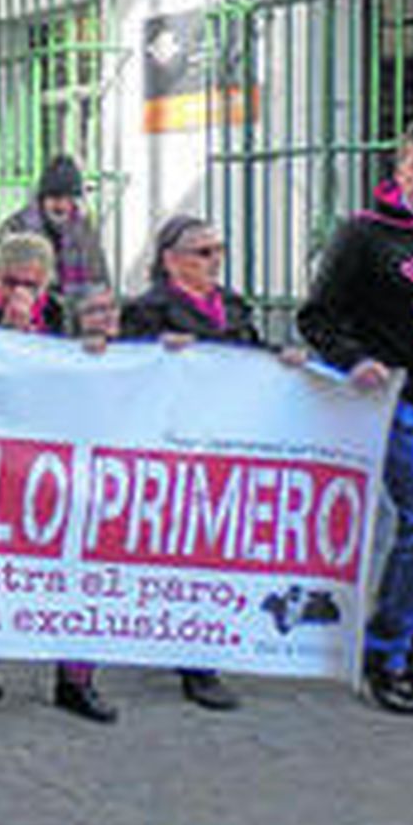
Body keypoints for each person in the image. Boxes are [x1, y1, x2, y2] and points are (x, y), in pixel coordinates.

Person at [122, 214, 303, 712]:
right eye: (202, 252)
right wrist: (156, 351)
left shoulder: (233, 305)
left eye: (218, 250)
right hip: (178, 445)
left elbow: (250, 353)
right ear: (170, 259)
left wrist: (281, 357)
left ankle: (204, 640)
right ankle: (195, 661)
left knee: (220, 544)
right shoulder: (148, 310)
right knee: (189, 547)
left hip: (230, 442)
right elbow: (122, 367)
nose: (214, 259)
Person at [299, 120, 413, 715]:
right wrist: (354, 360)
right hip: (405, 400)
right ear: (399, 172)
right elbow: (319, 317)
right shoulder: (364, 235)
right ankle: (384, 651)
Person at [0, 234, 117, 724]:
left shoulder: (62, 317)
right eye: (12, 282)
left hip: (52, 454)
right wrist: (2, 335)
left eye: (32, 284)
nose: (22, 293)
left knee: (75, 561)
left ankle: (76, 678)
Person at [0, 154, 109, 297]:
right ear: (42, 197)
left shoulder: (85, 231)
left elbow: (99, 281)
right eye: (54, 197)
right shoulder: (15, 229)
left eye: (68, 198)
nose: (61, 205)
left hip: (75, 313)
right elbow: (0, 281)